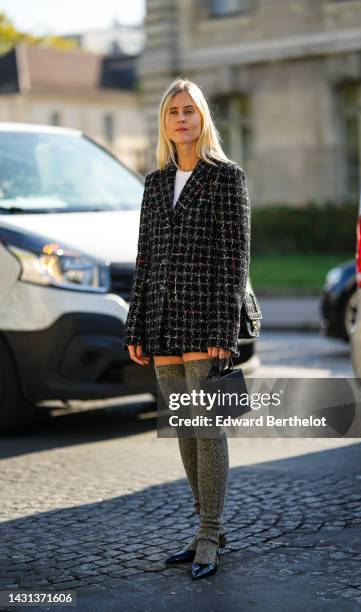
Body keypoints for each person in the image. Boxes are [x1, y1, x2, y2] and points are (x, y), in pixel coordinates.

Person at [123, 77, 251, 580]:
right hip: (160, 322)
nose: (181, 118)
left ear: (203, 119)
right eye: (173, 111)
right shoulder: (155, 183)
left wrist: (224, 328)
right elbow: (145, 258)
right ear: (164, 122)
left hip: (205, 321)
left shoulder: (227, 178)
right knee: (183, 427)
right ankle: (207, 529)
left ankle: (209, 535)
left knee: (208, 428)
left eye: (189, 110)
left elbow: (235, 260)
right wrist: (135, 323)